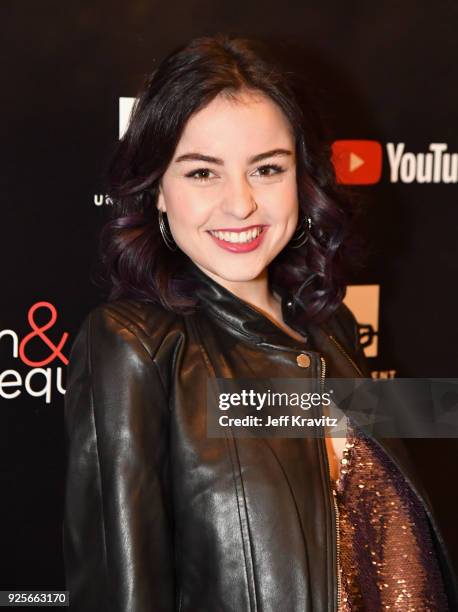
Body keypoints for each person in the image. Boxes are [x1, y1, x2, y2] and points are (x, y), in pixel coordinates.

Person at [63, 34, 458, 611]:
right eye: (203, 173)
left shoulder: (334, 328)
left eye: (267, 168)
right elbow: (121, 593)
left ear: (300, 176)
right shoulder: (135, 348)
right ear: (159, 192)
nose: (241, 203)